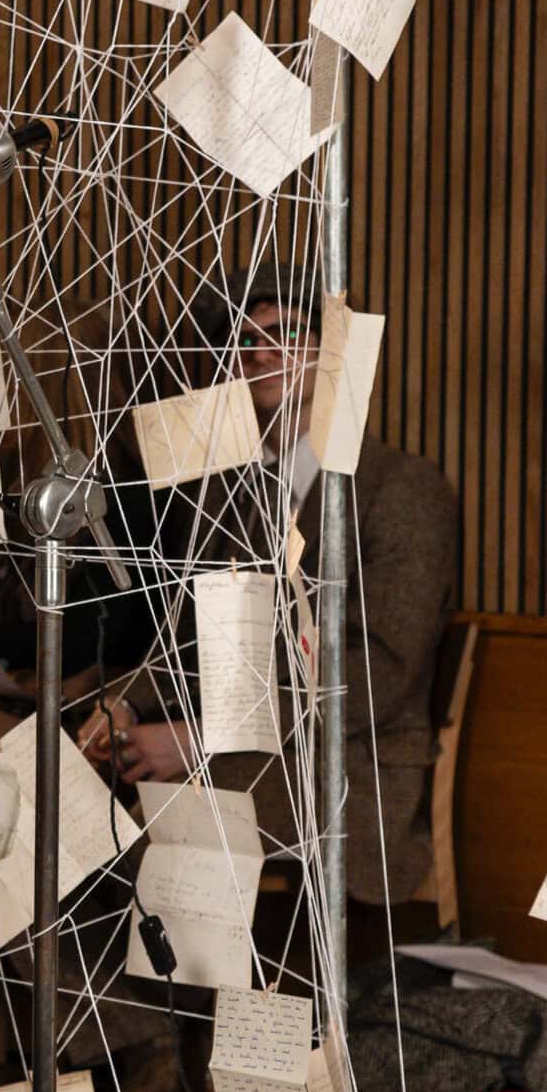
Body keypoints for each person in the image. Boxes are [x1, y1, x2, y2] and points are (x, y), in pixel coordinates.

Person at [89, 258, 460, 910]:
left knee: (134, 843)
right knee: (51, 810)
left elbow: (377, 673)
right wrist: (125, 707)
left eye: (287, 333)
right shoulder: (224, 490)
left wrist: (202, 740)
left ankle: (157, 980)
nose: (262, 353)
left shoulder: (400, 489)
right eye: (246, 340)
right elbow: (186, 639)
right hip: (233, 757)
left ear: (332, 353)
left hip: (344, 771)